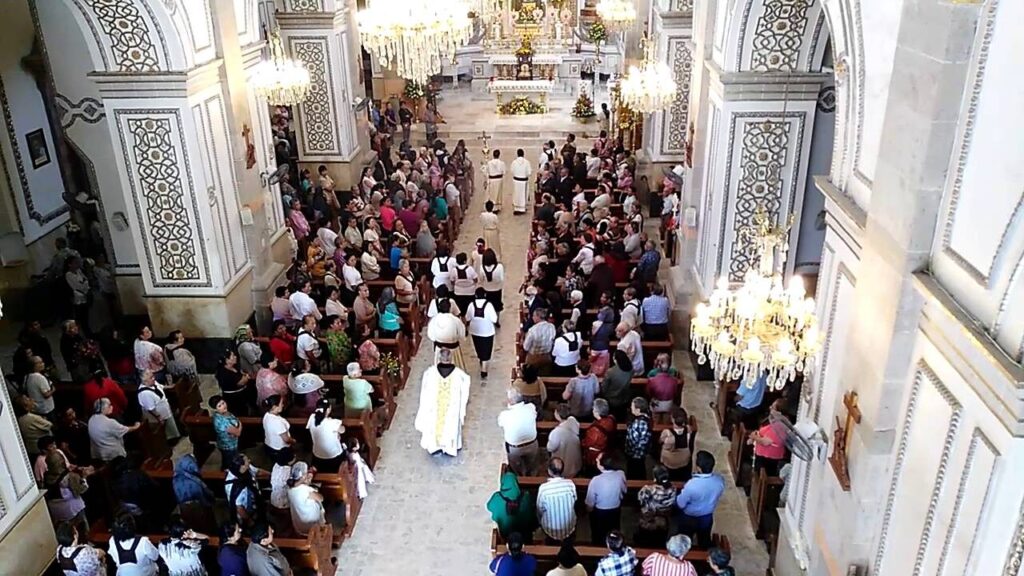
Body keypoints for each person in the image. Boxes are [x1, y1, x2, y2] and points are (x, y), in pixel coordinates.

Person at [414, 347, 471, 456]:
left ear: (439, 359)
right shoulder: (460, 376)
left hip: (433, 410)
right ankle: (449, 447)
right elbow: (464, 396)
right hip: (452, 411)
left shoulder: (430, 373)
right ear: (451, 359)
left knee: (434, 423)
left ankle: (435, 447)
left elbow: (424, 394)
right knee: (450, 425)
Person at [675, 451, 726, 548]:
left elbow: (680, 503)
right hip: (706, 516)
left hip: (689, 517)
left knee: (684, 541)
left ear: (698, 468)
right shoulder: (720, 481)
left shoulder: (692, 485)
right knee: (704, 540)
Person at [586, 452, 627, 545]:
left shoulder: (596, 480)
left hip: (600, 512)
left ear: (602, 465)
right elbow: (624, 491)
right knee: (614, 529)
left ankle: (597, 546)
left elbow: (589, 505)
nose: (596, 460)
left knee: (599, 534)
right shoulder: (621, 474)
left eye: (598, 459)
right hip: (615, 509)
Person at [536, 457, 577, 543]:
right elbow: (575, 501)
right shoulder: (570, 484)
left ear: (549, 471)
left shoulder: (544, 488)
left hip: (550, 530)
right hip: (569, 527)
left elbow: (539, 509)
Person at [499, 388, 539, 476]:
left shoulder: (505, 415)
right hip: (532, 445)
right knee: (532, 467)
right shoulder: (531, 407)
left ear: (509, 401)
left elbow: (500, 424)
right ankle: (531, 479)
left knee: (516, 471)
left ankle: (520, 480)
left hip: (515, 449)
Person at [487, 470, 537, 540]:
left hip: (505, 535)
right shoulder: (526, 496)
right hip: (525, 535)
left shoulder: (497, 497)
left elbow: (488, 506)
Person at [88, 398, 141, 462]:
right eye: (109, 405)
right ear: (103, 408)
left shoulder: (91, 419)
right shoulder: (109, 422)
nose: (112, 407)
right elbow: (126, 430)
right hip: (114, 457)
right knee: (139, 454)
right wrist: (136, 426)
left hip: (98, 455)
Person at [636, 465, 677, 547]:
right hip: (664, 516)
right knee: (661, 535)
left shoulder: (648, 489)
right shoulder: (673, 488)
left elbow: (640, 499)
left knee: (646, 535)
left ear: (655, 478)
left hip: (649, 516)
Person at [138, 369, 181, 442]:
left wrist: (171, 387)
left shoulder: (153, 383)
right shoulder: (144, 394)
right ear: (145, 381)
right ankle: (170, 441)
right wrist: (159, 417)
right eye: (151, 378)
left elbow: (161, 387)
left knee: (171, 425)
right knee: (165, 431)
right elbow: (151, 408)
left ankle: (175, 436)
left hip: (165, 410)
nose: (154, 378)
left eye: (153, 376)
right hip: (157, 417)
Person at [466, 287, 499, 378]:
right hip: (487, 331)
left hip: (475, 331)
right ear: (485, 295)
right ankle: (484, 370)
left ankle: (481, 361)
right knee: (487, 350)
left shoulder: (471, 305)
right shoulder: (489, 305)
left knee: (479, 348)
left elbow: (467, 318)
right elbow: (495, 319)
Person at [749, 399, 787, 475]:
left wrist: (754, 437)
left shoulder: (779, 426)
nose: (770, 408)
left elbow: (766, 442)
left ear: (778, 412)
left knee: (760, 476)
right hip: (763, 456)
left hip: (767, 459)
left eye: (772, 407)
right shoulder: (774, 420)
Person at [426, 299, 467, 370]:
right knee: (457, 368)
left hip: (440, 348)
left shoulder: (434, 320)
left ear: (439, 307)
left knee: (439, 369)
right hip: (454, 349)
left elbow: (431, 335)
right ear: (450, 308)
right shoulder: (455, 320)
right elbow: (462, 334)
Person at [287, 462, 325, 534]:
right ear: (303, 476)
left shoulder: (290, 489)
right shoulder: (305, 489)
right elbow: (321, 498)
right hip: (312, 524)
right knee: (319, 502)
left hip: (299, 526)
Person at [659, 408, 697, 481]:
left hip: (670, 462)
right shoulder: (689, 430)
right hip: (684, 460)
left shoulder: (667, 433)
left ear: (673, 420)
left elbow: (660, 441)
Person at [546, 404, 582, 479]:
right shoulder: (573, 422)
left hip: (563, 465)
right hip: (575, 463)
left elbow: (550, 448)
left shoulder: (557, 432)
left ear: (557, 415)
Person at [226, 454, 261, 525]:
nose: (249, 461)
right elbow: (239, 508)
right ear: (242, 467)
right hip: (245, 513)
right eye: (247, 461)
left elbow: (257, 471)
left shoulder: (247, 468)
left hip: (255, 502)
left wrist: (271, 474)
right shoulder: (233, 486)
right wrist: (250, 521)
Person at [217, 349, 253, 416]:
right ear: (227, 360)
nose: (235, 357)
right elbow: (241, 382)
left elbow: (241, 373)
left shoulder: (233, 367)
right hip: (234, 399)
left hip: (242, 395)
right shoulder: (225, 374)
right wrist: (247, 377)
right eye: (233, 356)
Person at [582, 399, 616, 471]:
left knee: (593, 471)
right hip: (608, 451)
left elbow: (587, 443)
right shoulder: (612, 419)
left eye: (593, 409)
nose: (592, 410)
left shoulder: (595, 430)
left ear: (597, 412)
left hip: (595, 456)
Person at [209, 395, 242, 469]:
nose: (223, 406)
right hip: (229, 446)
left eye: (223, 403)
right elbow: (238, 433)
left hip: (226, 443)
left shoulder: (222, 413)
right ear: (216, 408)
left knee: (227, 459)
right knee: (232, 462)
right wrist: (240, 424)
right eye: (219, 406)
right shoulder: (223, 422)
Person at [647, 354, 682, 421]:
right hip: (668, 404)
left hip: (656, 403)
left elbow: (649, 392)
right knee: (666, 418)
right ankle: (666, 423)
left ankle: (655, 423)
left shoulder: (652, 379)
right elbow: (675, 393)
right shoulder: (674, 380)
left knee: (655, 417)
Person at [602, 351, 635, 420]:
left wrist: (604, 394)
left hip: (612, 398)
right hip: (625, 397)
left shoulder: (611, 371)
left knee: (613, 414)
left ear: (616, 360)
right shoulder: (630, 368)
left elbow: (604, 386)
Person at [625, 397, 652, 480]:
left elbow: (635, 440)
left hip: (636, 454)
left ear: (638, 410)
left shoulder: (640, 423)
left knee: (635, 472)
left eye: (632, 407)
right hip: (640, 454)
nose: (631, 409)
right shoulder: (647, 417)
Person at [262, 395, 294, 462]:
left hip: (270, 445)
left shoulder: (266, 415)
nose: (282, 405)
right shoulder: (278, 422)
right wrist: (293, 441)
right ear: (274, 407)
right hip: (281, 449)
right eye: (281, 403)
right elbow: (286, 439)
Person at [523, 308, 556, 373]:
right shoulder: (551, 327)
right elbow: (553, 340)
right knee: (545, 375)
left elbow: (526, 347)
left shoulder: (532, 330)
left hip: (533, 358)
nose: (532, 317)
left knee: (531, 376)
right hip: (546, 357)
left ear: (538, 317)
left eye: (533, 316)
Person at [480, 248, 505, 317]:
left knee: (488, 305)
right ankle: (497, 319)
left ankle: (489, 317)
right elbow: (501, 279)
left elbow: (481, 279)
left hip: (487, 290)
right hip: (497, 289)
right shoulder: (499, 267)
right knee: (497, 306)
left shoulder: (482, 268)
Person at [510, 148, 532, 215]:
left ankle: (516, 208)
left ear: (517, 154)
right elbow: (529, 172)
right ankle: (522, 208)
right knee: (523, 194)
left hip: (516, 181)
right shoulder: (527, 162)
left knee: (517, 194)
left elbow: (512, 171)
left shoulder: (514, 162)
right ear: (523, 154)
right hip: (523, 181)